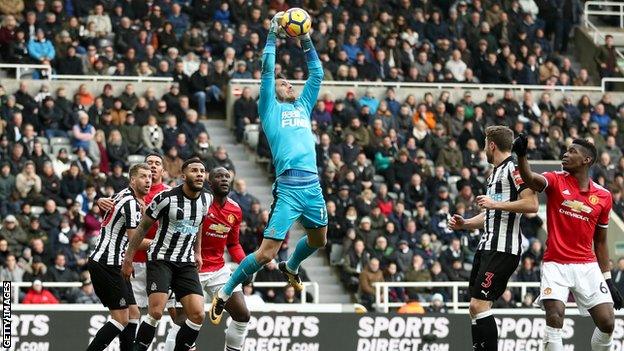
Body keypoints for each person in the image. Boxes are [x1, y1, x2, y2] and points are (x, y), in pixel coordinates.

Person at [209, 12, 326, 324]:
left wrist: (305, 40)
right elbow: (266, 71)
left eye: (288, 80)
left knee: (319, 241)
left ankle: (292, 267)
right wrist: (273, 36)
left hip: (312, 186)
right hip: (288, 187)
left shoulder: (302, 106)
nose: (285, 82)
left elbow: (316, 74)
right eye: (281, 81)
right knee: (265, 254)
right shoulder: (269, 109)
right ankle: (225, 292)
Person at [513, 134, 623, 350]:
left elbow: (600, 242)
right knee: (554, 317)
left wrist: (608, 280)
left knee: (607, 323)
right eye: (566, 149)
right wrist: (522, 156)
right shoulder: (555, 179)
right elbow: (530, 179)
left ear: (586, 161)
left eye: (573, 151)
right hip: (556, 264)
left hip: (587, 265)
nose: (566, 154)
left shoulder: (603, 196)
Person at [449, 126, 538, 351]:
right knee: (474, 306)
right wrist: (466, 224)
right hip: (487, 245)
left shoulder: (515, 169)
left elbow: (532, 204)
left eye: (484, 145)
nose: (483, 150)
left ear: (491, 145)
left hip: (503, 249)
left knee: (479, 305)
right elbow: (492, 213)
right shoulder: (494, 173)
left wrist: (495, 204)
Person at [122, 158, 212, 351]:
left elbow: (199, 224)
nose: (199, 174)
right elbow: (142, 228)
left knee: (198, 315)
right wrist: (128, 259)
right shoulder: (166, 198)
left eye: (202, 171)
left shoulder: (207, 199)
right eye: (194, 171)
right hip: (161, 259)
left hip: (186, 262)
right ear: (183, 176)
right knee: (155, 311)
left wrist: (197, 252)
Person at [165, 167, 249, 351]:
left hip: (219, 269)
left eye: (227, 176)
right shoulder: (198, 203)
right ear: (209, 183)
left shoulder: (235, 209)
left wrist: (246, 264)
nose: (224, 179)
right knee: (181, 322)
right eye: (219, 176)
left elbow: (233, 244)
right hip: (189, 268)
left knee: (242, 315)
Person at [98, 153, 177, 340]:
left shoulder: (170, 194)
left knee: (174, 314)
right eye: (149, 163)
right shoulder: (131, 193)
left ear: (163, 171)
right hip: (134, 261)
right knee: (133, 315)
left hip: (161, 261)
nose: (153, 166)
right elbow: (113, 209)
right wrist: (100, 201)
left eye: (157, 164)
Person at [86, 163, 152, 351]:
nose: (147, 180)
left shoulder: (123, 195)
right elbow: (135, 241)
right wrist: (162, 244)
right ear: (132, 179)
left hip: (114, 263)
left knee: (133, 313)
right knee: (122, 318)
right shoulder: (131, 202)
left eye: (149, 177)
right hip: (107, 263)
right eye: (142, 176)